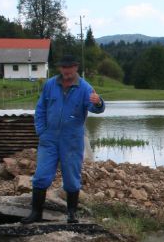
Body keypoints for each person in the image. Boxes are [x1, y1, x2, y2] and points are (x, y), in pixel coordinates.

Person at [22, 54, 104, 224]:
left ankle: (71, 215)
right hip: (49, 138)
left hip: (72, 140)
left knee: (72, 178)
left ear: (76, 68)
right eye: (64, 68)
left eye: (70, 68)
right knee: (41, 175)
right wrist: (41, 131)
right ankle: (36, 213)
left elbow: (96, 109)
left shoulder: (85, 88)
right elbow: (40, 109)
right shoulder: (50, 84)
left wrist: (98, 102)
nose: (66, 71)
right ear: (60, 68)